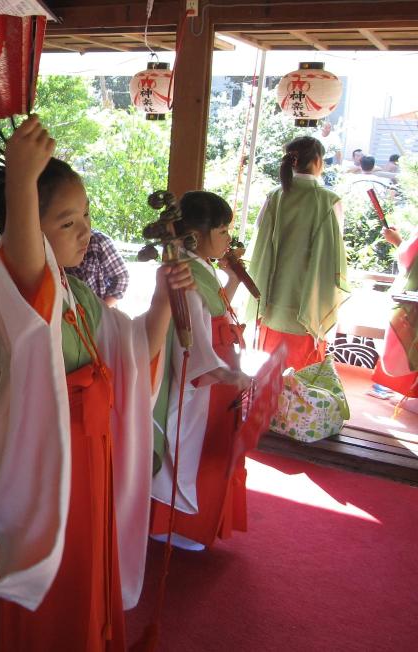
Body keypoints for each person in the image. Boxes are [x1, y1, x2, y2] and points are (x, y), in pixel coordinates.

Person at [0, 116, 194, 651]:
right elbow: (18, 258)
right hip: (45, 470)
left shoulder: (79, 296)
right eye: (67, 222)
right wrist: (20, 176)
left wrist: (159, 300)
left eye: (85, 216)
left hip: (88, 465)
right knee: (47, 586)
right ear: (29, 229)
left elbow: (135, 354)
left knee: (81, 575)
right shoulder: (23, 293)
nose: (86, 231)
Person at [148, 191, 253, 552]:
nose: (227, 239)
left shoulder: (202, 266)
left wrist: (233, 280)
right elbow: (188, 339)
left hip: (218, 374)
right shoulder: (184, 272)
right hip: (201, 382)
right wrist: (223, 374)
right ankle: (171, 525)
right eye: (222, 230)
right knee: (188, 451)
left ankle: (190, 525)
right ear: (195, 234)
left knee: (210, 451)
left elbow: (214, 309)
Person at [247, 136, 349, 371]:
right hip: (309, 303)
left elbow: (259, 238)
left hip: (272, 301)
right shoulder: (328, 199)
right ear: (317, 160)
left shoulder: (275, 196)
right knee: (301, 381)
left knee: (270, 375)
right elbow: (334, 248)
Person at [371, 226, 418, 399]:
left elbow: (410, 256)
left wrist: (397, 241)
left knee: (402, 345)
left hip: (412, 300)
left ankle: (403, 393)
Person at [64, 228, 130, 307]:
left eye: (85, 215)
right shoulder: (49, 250)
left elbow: (121, 278)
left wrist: (102, 313)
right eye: (68, 224)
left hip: (103, 310)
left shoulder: (97, 241)